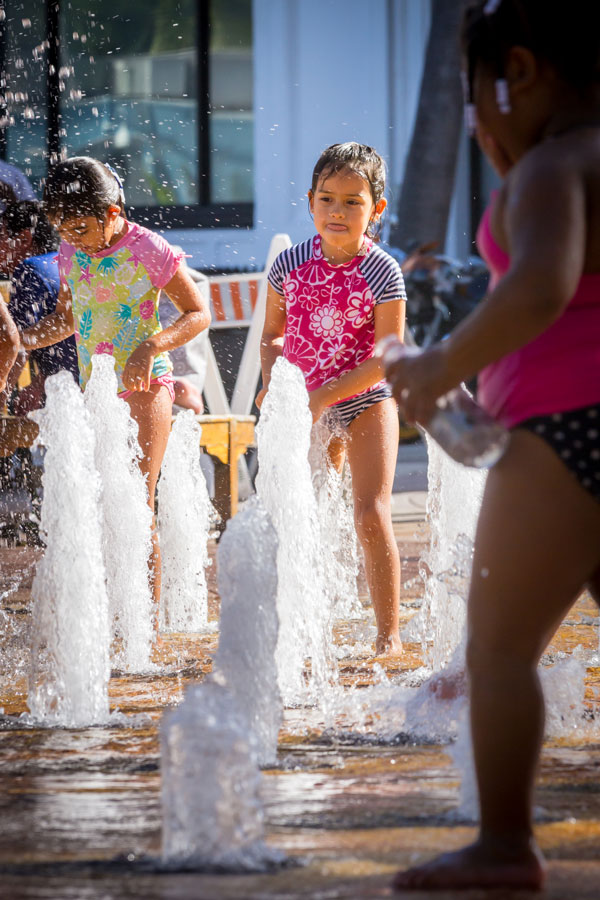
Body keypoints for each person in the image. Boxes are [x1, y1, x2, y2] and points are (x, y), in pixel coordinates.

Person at [388, 0, 600, 891]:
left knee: (499, 652)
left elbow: (541, 291)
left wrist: (439, 366)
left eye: (477, 98)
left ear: (519, 69)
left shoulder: (554, 166)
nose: (477, 122)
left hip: (564, 436)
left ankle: (507, 846)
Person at [19, 156, 211, 642]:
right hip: (95, 390)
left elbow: (196, 314)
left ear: (112, 212)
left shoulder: (148, 248)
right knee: (103, 503)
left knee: (136, 503)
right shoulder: (71, 251)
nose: (72, 237)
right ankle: (114, 613)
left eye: (80, 226)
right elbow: (71, 317)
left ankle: (142, 626)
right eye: (62, 229)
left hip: (147, 387)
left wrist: (151, 346)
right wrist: (23, 339)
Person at [258, 142, 406, 656]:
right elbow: (273, 334)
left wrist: (322, 396)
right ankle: (297, 624)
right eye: (327, 199)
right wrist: (272, 380)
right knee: (301, 512)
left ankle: (388, 634)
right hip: (307, 402)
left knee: (369, 513)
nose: (337, 212)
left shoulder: (382, 270)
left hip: (365, 398)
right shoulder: (290, 265)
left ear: (376, 209)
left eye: (352, 202)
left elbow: (389, 356)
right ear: (310, 201)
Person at [1, 201, 79, 413]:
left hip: (68, 396)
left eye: (1, 236)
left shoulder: (29, 269)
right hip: (86, 385)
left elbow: (15, 344)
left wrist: (1, 403)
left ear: (24, 238)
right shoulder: (63, 262)